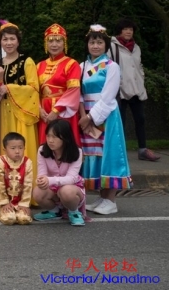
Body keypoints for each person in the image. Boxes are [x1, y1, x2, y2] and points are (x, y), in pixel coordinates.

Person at [79, 25, 132, 215]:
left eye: (99, 42)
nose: (95, 46)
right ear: (87, 45)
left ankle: (111, 200)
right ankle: (102, 197)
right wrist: (83, 116)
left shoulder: (111, 66)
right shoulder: (81, 66)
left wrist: (90, 117)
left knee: (108, 154)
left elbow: (109, 95)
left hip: (106, 115)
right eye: (92, 42)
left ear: (106, 45)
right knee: (94, 154)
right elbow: (78, 93)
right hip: (86, 115)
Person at [0, 22, 40, 204]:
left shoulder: (27, 61)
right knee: (5, 150)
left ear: (18, 41)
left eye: (12, 39)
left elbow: (34, 88)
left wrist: (9, 88)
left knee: (21, 149)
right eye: (5, 39)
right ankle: (2, 195)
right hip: (3, 112)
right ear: (0, 42)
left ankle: (26, 195)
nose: (8, 42)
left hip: (21, 111)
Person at [109, 18, 159, 161]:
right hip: (120, 90)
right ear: (120, 31)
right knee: (121, 122)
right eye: (125, 29)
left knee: (140, 119)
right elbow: (107, 66)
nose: (128, 32)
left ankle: (143, 149)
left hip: (136, 89)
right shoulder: (112, 46)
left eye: (130, 29)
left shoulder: (136, 47)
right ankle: (119, 152)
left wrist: (141, 78)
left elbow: (139, 66)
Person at [33, 119, 88, 226]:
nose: (50, 140)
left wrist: (49, 180)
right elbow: (42, 173)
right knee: (37, 192)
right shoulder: (42, 150)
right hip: (52, 186)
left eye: (55, 137)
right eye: (48, 136)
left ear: (65, 137)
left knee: (67, 191)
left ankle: (73, 212)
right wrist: (40, 180)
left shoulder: (77, 152)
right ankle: (54, 211)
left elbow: (71, 178)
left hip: (72, 186)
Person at [37, 23, 82, 146]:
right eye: (50, 41)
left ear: (64, 43)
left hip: (63, 111)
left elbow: (73, 90)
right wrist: (39, 109)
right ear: (46, 43)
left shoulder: (72, 64)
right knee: (46, 146)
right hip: (44, 112)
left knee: (64, 144)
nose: (54, 44)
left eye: (58, 41)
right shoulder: (39, 65)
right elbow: (34, 91)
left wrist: (56, 111)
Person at [0, 132, 33, 225]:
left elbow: (28, 185)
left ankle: (20, 209)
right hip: (5, 201)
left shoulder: (27, 162)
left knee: (24, 219)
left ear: (24, 148)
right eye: (13, 148)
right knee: (9, 219)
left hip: (20, 201)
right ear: (5, 149)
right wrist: (4, 202)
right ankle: (2, 209)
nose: (17, 151)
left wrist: (24, 204)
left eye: (20, 148)